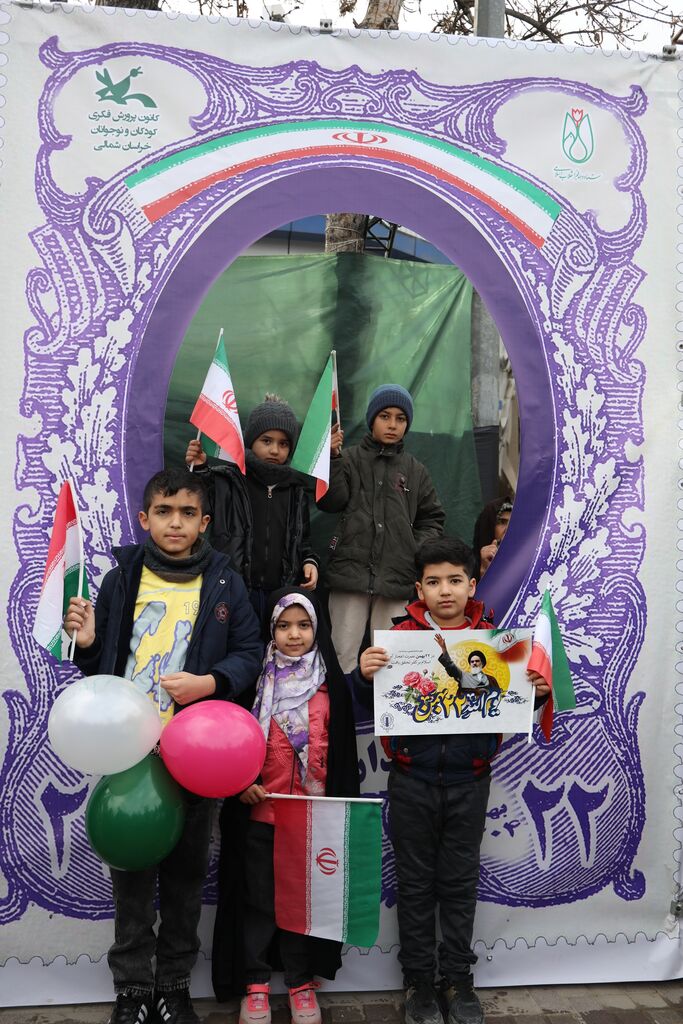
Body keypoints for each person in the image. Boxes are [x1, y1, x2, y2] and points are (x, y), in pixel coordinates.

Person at [64, 467, 263, 1024]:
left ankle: (173, 987)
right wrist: (87, 644)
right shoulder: (121, 579)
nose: (175, 523)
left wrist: (210, 683)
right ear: (144, 518)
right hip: (130, 754)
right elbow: (99, 667)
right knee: (130, 878)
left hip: (194, 755)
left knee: (185, 878)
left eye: (187, 513)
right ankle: (131, 989)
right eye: (164, 512)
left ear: (205, 522)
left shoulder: (224, 582)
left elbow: (249, 653)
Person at [352, 536, 549, 1024]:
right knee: (415, 884)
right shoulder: (397, 637)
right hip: (410, 780)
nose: (445, 590)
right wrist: (363, 675)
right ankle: (419, 981)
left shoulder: (498, 641)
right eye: (434, 582)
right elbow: (367, 701)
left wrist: (539, 693)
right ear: (419, 588)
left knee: (459, 885)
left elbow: (510, 701)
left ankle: (458, 980)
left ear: (472, 585)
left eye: (455, 580)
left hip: (470, 782)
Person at [212, 588, 359, 1024]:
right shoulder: (253, 682)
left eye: (304, 625)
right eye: (283, 625)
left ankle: (300, 981)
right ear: (270, 630)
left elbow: (342, 753)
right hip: (262, 814)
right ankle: (255, 982)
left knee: (302, 904)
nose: (294, 634)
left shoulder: (331, 684)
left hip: (313, 820)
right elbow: (232, 741)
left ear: (317, 629)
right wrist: (242, 783)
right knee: (259, 899)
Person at [317, 384, 445, 672]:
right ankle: (343, 704)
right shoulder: (348, 459)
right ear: (371, 419)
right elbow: (329, 501)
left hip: (396, 578)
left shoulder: (416, 470)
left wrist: (412, 549)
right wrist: (333, 459)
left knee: (391, 661)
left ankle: (384, 706)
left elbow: (432, 518)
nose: (392, 424)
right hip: (349, 576)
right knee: (342, 656)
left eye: (400, 418)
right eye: (385, 416)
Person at [186, 393, 319, 624]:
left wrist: (310, 562)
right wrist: (199, 469)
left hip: (281, 596)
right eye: (267, 441)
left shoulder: (296, 490)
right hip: (233, 592)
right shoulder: (228, 481)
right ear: (250, 441)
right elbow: (197, 507)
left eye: (283, 443)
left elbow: (303, 541)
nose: (275, 450)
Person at [433, 639, 502, 699]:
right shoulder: (464, 676)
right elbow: (450, 665)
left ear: (482, 663)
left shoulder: (491, 680)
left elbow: (498, 696)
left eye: (477, 661)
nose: (474, 663)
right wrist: (444, 649)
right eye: (472, 662)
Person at [472, 498, 513, 579]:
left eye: (514, 522)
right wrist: (485, 572)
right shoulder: (467, 566)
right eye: (502, 522)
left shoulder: (531, 562)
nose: (509, 529)